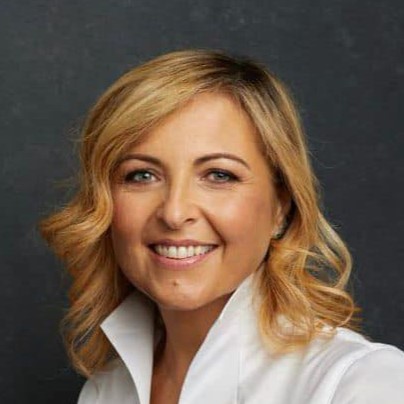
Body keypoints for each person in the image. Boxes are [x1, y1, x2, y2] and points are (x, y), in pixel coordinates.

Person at [39, 49, 404, 404]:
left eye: (219, 175)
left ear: (281, 207)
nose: (174, 212)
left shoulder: (356, 384)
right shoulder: (105, 392)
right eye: (142, 175)